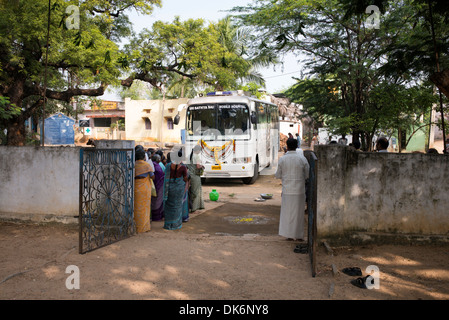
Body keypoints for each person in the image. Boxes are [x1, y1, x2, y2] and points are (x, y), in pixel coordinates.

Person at [275, 138, 310, 241]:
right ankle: (299, 235)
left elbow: (278, 175)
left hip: (287, 190)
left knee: (287, 213)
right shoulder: (302, 159)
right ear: (297, 146)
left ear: (287, 146)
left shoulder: (282, 159)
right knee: (299, 214)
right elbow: (307, 175)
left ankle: (289, 235)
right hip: (299, 190)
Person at [163, 148, 189, 230]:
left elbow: (166, 176)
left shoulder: (168, 166)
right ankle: (176, 224)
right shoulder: (183, 167)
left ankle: (168, 224)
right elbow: (185, 179)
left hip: (169, 189)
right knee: (177, 207)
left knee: (169, 206)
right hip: (178, 190)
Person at [134, 148, 154, 233]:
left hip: (135, 188)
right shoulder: (147, 165)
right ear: (143, 156)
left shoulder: (133, 164)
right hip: (144, 190)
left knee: (136, 207)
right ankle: (144, 227)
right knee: (145, 207)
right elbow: (153, 177)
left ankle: (136, 227)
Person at [187, 145, 205, 213]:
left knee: (191, 191)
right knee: (196, 192)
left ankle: (190, 207)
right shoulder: (196, 156)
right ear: (197, 150)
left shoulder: (189, 156)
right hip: (195, 176)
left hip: (190, 175)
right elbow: (197, 166)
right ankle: (194, 208)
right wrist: (202, 166)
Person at [151, 154, 165, 221]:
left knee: (153, 201)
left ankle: (153, 216)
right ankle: (157, 216)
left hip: (153, 185)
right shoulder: (157, 166)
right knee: (158, 201)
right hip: (158, 186)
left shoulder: (152, 164)